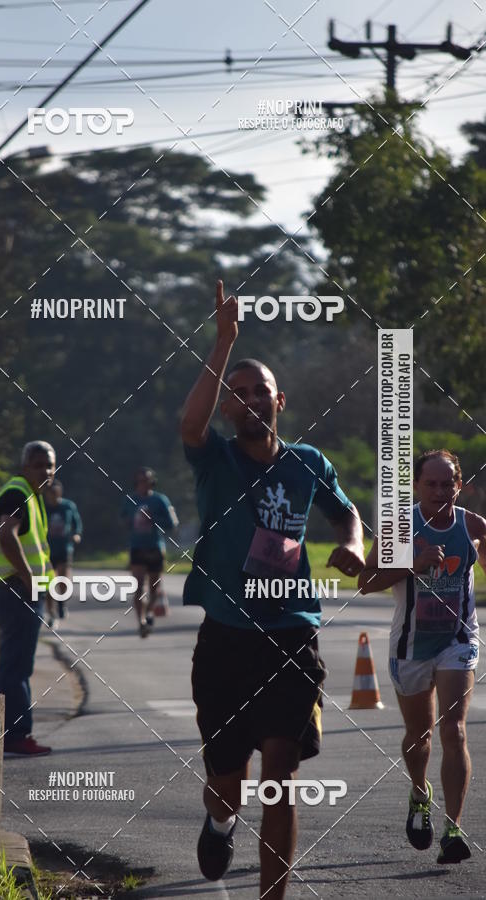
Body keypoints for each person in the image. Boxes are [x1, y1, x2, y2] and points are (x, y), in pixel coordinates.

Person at [181, 280, 365, 898]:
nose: (254, 397)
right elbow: (189, 420)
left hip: (292, 635)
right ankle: (219, 817)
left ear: (281, 399)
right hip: (227, 641)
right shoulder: (215, 461)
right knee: (229, 779)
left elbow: (346, 514)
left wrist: (357, 544)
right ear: (229, 408)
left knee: (280, 779)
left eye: (263, 389)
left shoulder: (307, 461)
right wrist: (224, 342)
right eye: (241, 391)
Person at [359, 449, 485, 864]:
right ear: (416, 486)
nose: (439, 490)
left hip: (457, 641)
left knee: (455, 730)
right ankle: (419, 793)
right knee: (420, 737)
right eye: (430, 483)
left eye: (447, 483)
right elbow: (366, 582)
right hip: (410, 646)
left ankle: (453, 828)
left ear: (459, 484)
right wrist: (411, 562)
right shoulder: (399, 528)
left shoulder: (472, 526)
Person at [0, 440, 56, 757]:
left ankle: (15, 732)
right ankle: (14, 735)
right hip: (14, 591)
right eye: (39, 464)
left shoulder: (30, 496)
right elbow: (5, 534)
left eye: (50, 465)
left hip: (18, 591)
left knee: (18, 665)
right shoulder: (17, 493)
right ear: (25, 466)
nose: (46, 470)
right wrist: (28, 578)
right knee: (16, 667)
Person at [121, 467, 179, 637]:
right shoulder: (130, 500)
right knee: (138, 586)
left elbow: (172, 524)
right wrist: (131, 521)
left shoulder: (160, 500)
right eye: (140, 481)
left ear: (152, 482)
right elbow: (123, 520)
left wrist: (154, 519)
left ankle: (149, 612)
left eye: (146, 480)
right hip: (137, 547)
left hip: (155, 547)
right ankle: (141, 621)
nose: (143, 484)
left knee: (154, 587)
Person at [43, 479, 83, 627]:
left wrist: (77, 534)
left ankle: (61, 603)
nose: (52, 496)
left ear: (60, 493)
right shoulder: (43, 507)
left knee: (63, 579)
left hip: (64, 548)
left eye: (55, 493)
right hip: (46, 549)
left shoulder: (68, 506)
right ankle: (51, 613)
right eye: (50, 493)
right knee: (48, 582)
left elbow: (77, 523)